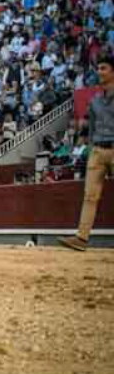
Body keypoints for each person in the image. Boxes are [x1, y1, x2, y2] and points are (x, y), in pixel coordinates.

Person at [60, 55, 114, 251]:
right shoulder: (95, 100)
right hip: (98, 149)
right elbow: (91, 128)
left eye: (104, 68)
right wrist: (91, 147)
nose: (99, 72)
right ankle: (82, 238)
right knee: (90, 196)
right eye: (98, 68)